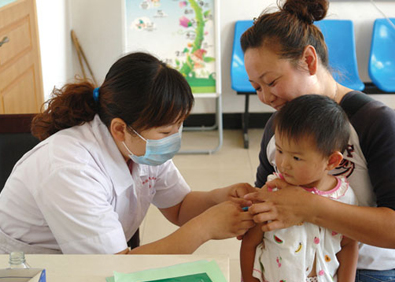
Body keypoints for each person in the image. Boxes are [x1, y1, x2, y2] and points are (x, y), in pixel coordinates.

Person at [0, 52, 255, 255]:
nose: (175, 138)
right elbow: (115, 268)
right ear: (120, 129)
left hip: (88, 259)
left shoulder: (139, 147)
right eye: (166, 132)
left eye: (180, 126)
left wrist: (219, 198)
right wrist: (205, 228)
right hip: (29, 268)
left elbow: (179, 207)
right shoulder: (69, 169)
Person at [239, 0, 395, 279]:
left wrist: (310, 208)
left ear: (309, 60)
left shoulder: (375, 122)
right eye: (256, 87)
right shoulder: (277, 127)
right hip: (290, 266)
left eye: (271, 82)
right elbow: (265, 201)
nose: (265, 97)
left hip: (366, 269)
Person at [240, 95, 358, 282]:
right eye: (279, 151)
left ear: (331, 161)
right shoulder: (271, 193)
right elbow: (249, 243)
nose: (284, 164)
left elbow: (349, 245)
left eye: (296, 157)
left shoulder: (345, 196)